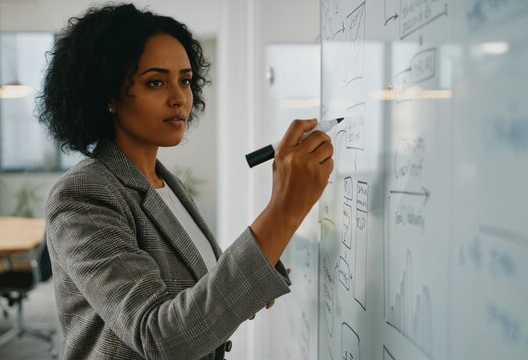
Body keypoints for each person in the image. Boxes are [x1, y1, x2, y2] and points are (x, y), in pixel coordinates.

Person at [38, 3, 333, 359]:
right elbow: (160, 338)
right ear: (109, 95)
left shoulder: (163, 184)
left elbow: (195, 292)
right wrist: (284, 209)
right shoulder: (83, 194)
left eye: (186, 80)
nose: (179, 98)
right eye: (156, 82)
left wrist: (259, 264)